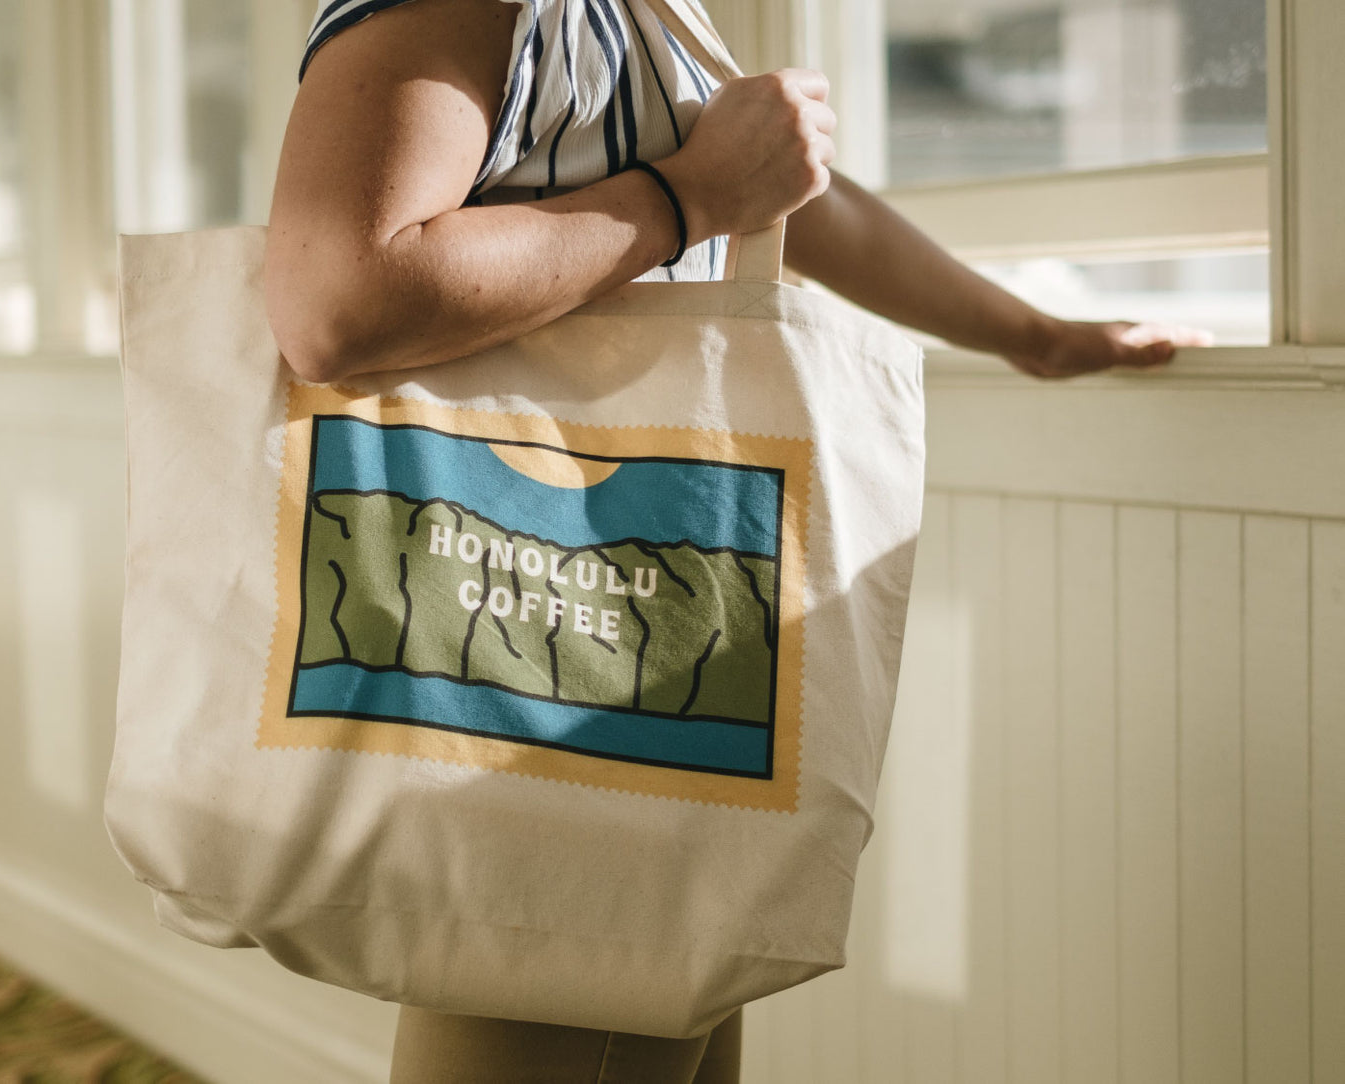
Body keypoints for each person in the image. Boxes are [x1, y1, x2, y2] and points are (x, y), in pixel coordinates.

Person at [263, 1, 1206, 1080]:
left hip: (620, 621)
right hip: (558, 637)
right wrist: (690, 195)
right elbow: (336, 299)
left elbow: (794, 200)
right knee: (573, 973)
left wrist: (1034, 336)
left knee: (646, 991)